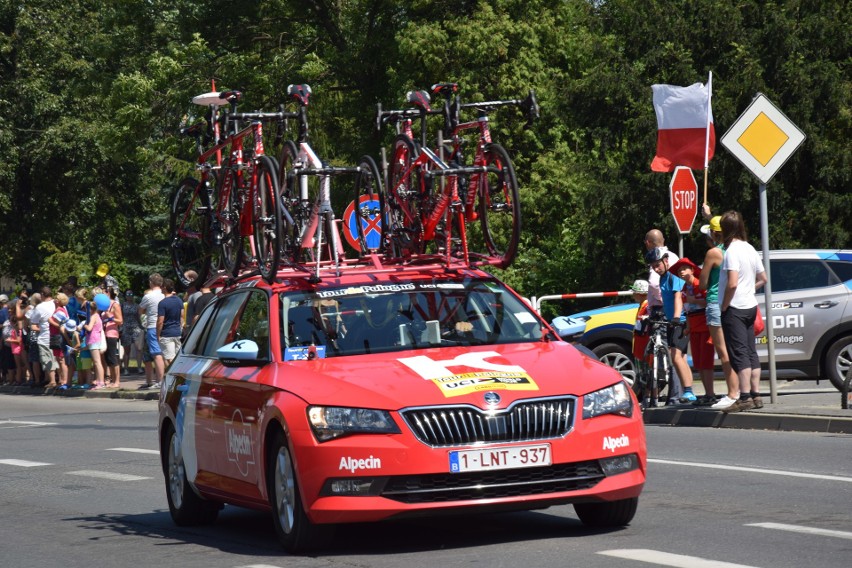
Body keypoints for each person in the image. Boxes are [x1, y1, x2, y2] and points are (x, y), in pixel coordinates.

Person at [717, 210, 767, 413]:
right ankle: (756, 395)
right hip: (750, 306)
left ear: (726, 229)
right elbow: (763, 278)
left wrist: (724, 305)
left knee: (739, 353)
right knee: (750, 351)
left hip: (735, 308)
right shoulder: (750, 248)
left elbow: (732, 283)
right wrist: (749, 290)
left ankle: (744, 396)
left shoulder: (732, 252)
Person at [645, 247, 694, 403]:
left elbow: (678, 297)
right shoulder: (662, 278)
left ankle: (687, 391)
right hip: (671, 320)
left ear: (666, 261)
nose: (656, 269)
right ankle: (688, 392)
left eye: (658, 265)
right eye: (653, 266)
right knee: (682, 357)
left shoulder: (673, 276)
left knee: (675, 356)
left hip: (680, 320)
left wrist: (676, 317)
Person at [669, 257, 717, 405]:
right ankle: (707, 394)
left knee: (706, 363)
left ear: (692, 270)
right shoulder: (685, 289)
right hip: (695, 329)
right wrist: (688, 328)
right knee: (699, 363)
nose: (681, 272)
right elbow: (687, 311)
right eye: (679, 271)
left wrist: (693, 300)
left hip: (705, 327)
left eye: (684, 269)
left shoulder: (698, 284)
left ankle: (710, 393)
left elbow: (708, 301)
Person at [643, 229, 679, 318]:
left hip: (660, 309)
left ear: (647, 242)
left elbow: (654, 284)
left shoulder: (656, 258)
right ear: (663, 240)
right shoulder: (674, 256)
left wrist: (664, 299)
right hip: (675, 306)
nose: (656, 268)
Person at [139, 274, 165, 389]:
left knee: (156, 354)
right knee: (165, 354)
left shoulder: (148, 296)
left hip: (152, 326)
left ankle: (160, 380)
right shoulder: (165, 295)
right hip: (166, 326)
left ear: (151, 283)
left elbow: (140, 310)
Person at [31, 286, 58, 388]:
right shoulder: (56, 303)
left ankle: (52, 381)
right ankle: (50, 379)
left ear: (42, 294)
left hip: (45, 337)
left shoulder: (39, 307)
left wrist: (41, 329)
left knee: (47, 359)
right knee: (57, 359)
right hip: (57, 335)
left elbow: (33, 325)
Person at [157, 278, 184, 367]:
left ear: (164, 287)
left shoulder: (162, 303)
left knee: (169, 359)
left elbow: (160, 321)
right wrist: (181, 328)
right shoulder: (179, 300)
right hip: (177, 332)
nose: (160, 288)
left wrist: (158, 335)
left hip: (167, 334)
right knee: (178, 358)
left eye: (161, 286)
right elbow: (182, 317)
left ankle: (174, 377)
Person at [630, 280, 650, 392]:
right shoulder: (641, 305)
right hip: (639, 346)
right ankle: (646, 396)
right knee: (642, 373)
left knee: (646, 372)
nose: (633, 295)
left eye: (634, 292)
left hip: (643, 346)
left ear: (639, 293)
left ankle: (648, 396)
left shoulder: (646, 306)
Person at [84, 295, 107, 390]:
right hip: (93, 340)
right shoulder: (97, 316)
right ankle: (98, 380)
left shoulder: (94, 316)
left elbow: (89, 328)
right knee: (96, 362)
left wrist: (84, 325)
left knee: (97, 362)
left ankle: (101, 382)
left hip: (94, 340)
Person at [102, 287, 123, 388]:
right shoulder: (102, 305)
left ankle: (117, 381)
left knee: (113, 358)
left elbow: (120, 320)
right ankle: (112, 380)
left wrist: (110, 317)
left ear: (108, 293)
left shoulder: (115, 304)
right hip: (104, 333)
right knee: (108, 359)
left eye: (103, 292)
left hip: (112, 333)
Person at [120, 290, 144, 374]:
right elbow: (120, 317)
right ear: (125, 296)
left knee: (139, 348)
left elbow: (139, 317)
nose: (130, 296)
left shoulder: (137, 306)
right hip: (126, 328)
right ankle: (126, 369)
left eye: (131, 294)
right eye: (128, 294)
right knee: (127, 350)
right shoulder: (122, 305)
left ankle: (139, 368)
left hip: (136, 328)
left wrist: (141, 326)